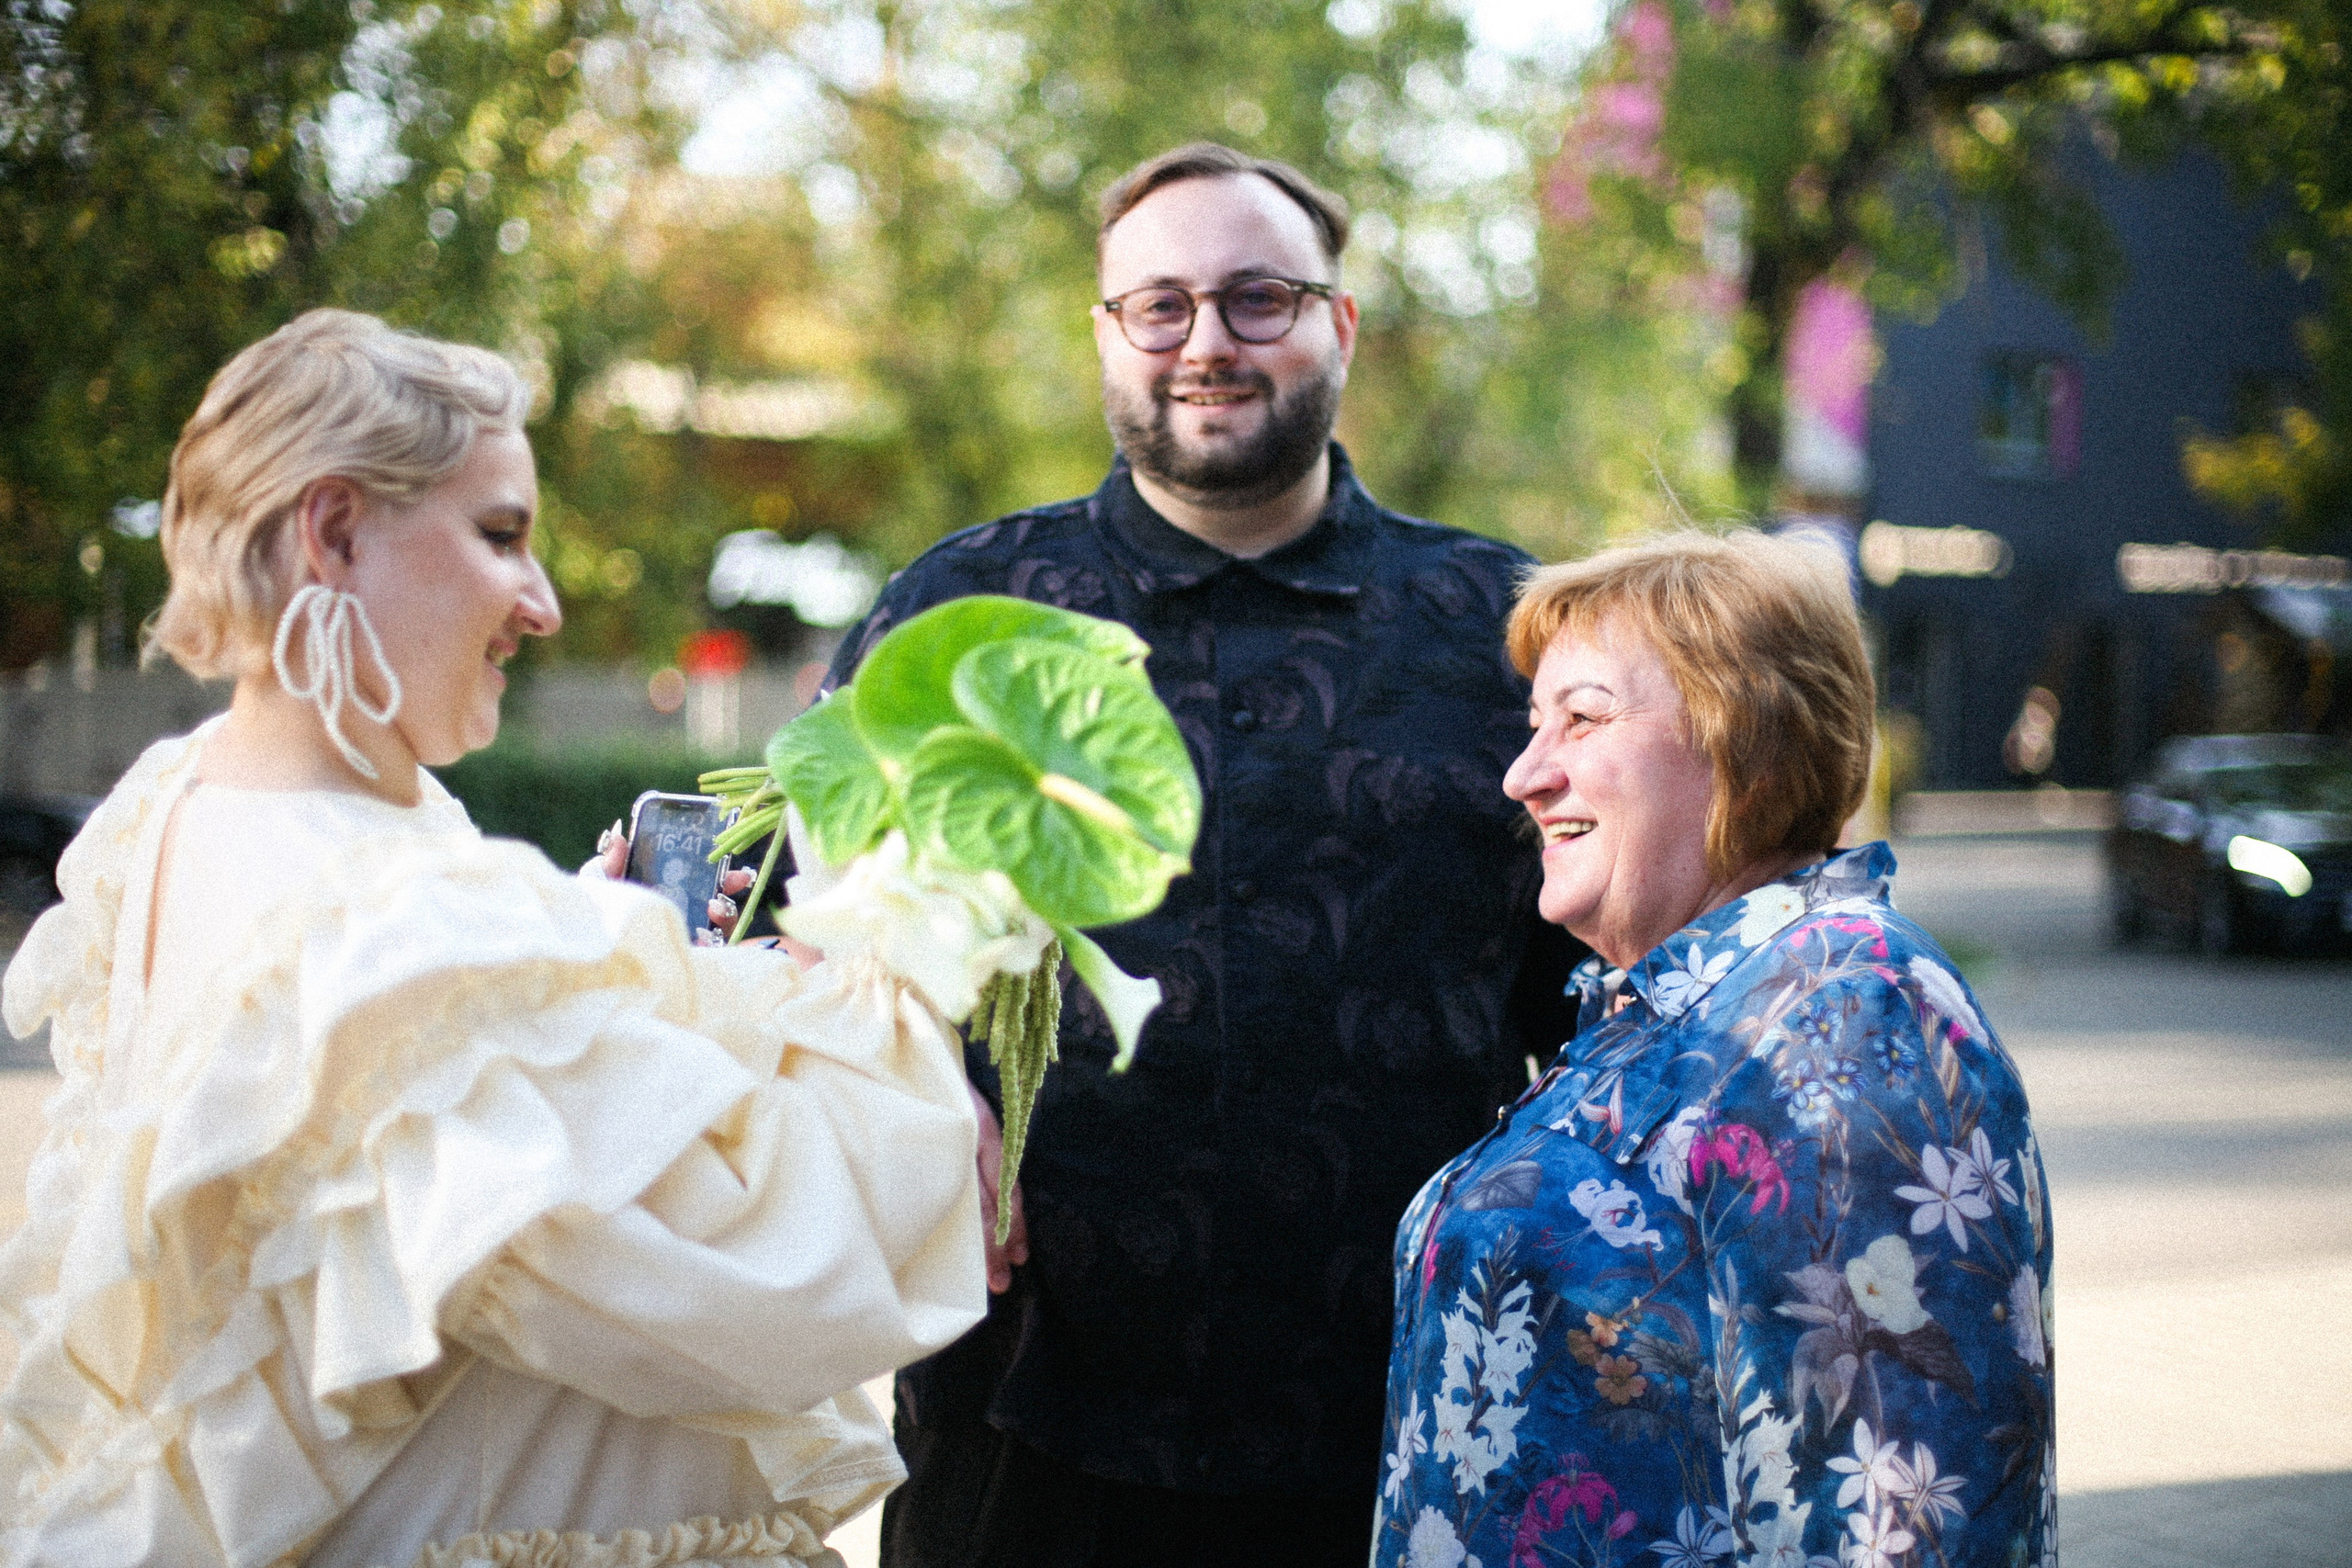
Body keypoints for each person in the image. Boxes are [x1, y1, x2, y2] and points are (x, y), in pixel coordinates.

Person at [0, 310, 993, 1566]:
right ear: (335, 533)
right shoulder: (396, 920)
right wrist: (875, 957)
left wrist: (586, 977)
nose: (543, 603)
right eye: (502, 535)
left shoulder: (187, 803)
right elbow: (751, 1271)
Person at [825, 143, 1580, 1568]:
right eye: (1160, 305)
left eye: (1257, 298)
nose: (1208, 343)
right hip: (1023, 1432)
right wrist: (910, 1075)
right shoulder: (962, 612)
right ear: (1107, 335)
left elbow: (1610, 993)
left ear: (1338, 324)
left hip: (1417, 1432)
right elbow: (793, 929)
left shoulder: (1509, 626)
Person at [1374, 531, 2055, 1568]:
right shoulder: (1681, 1006)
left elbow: (1901, 1522)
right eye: (1532, 725)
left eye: (1582, 718)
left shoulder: (1843, 1013)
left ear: (1746, 738)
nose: (1522, 775)